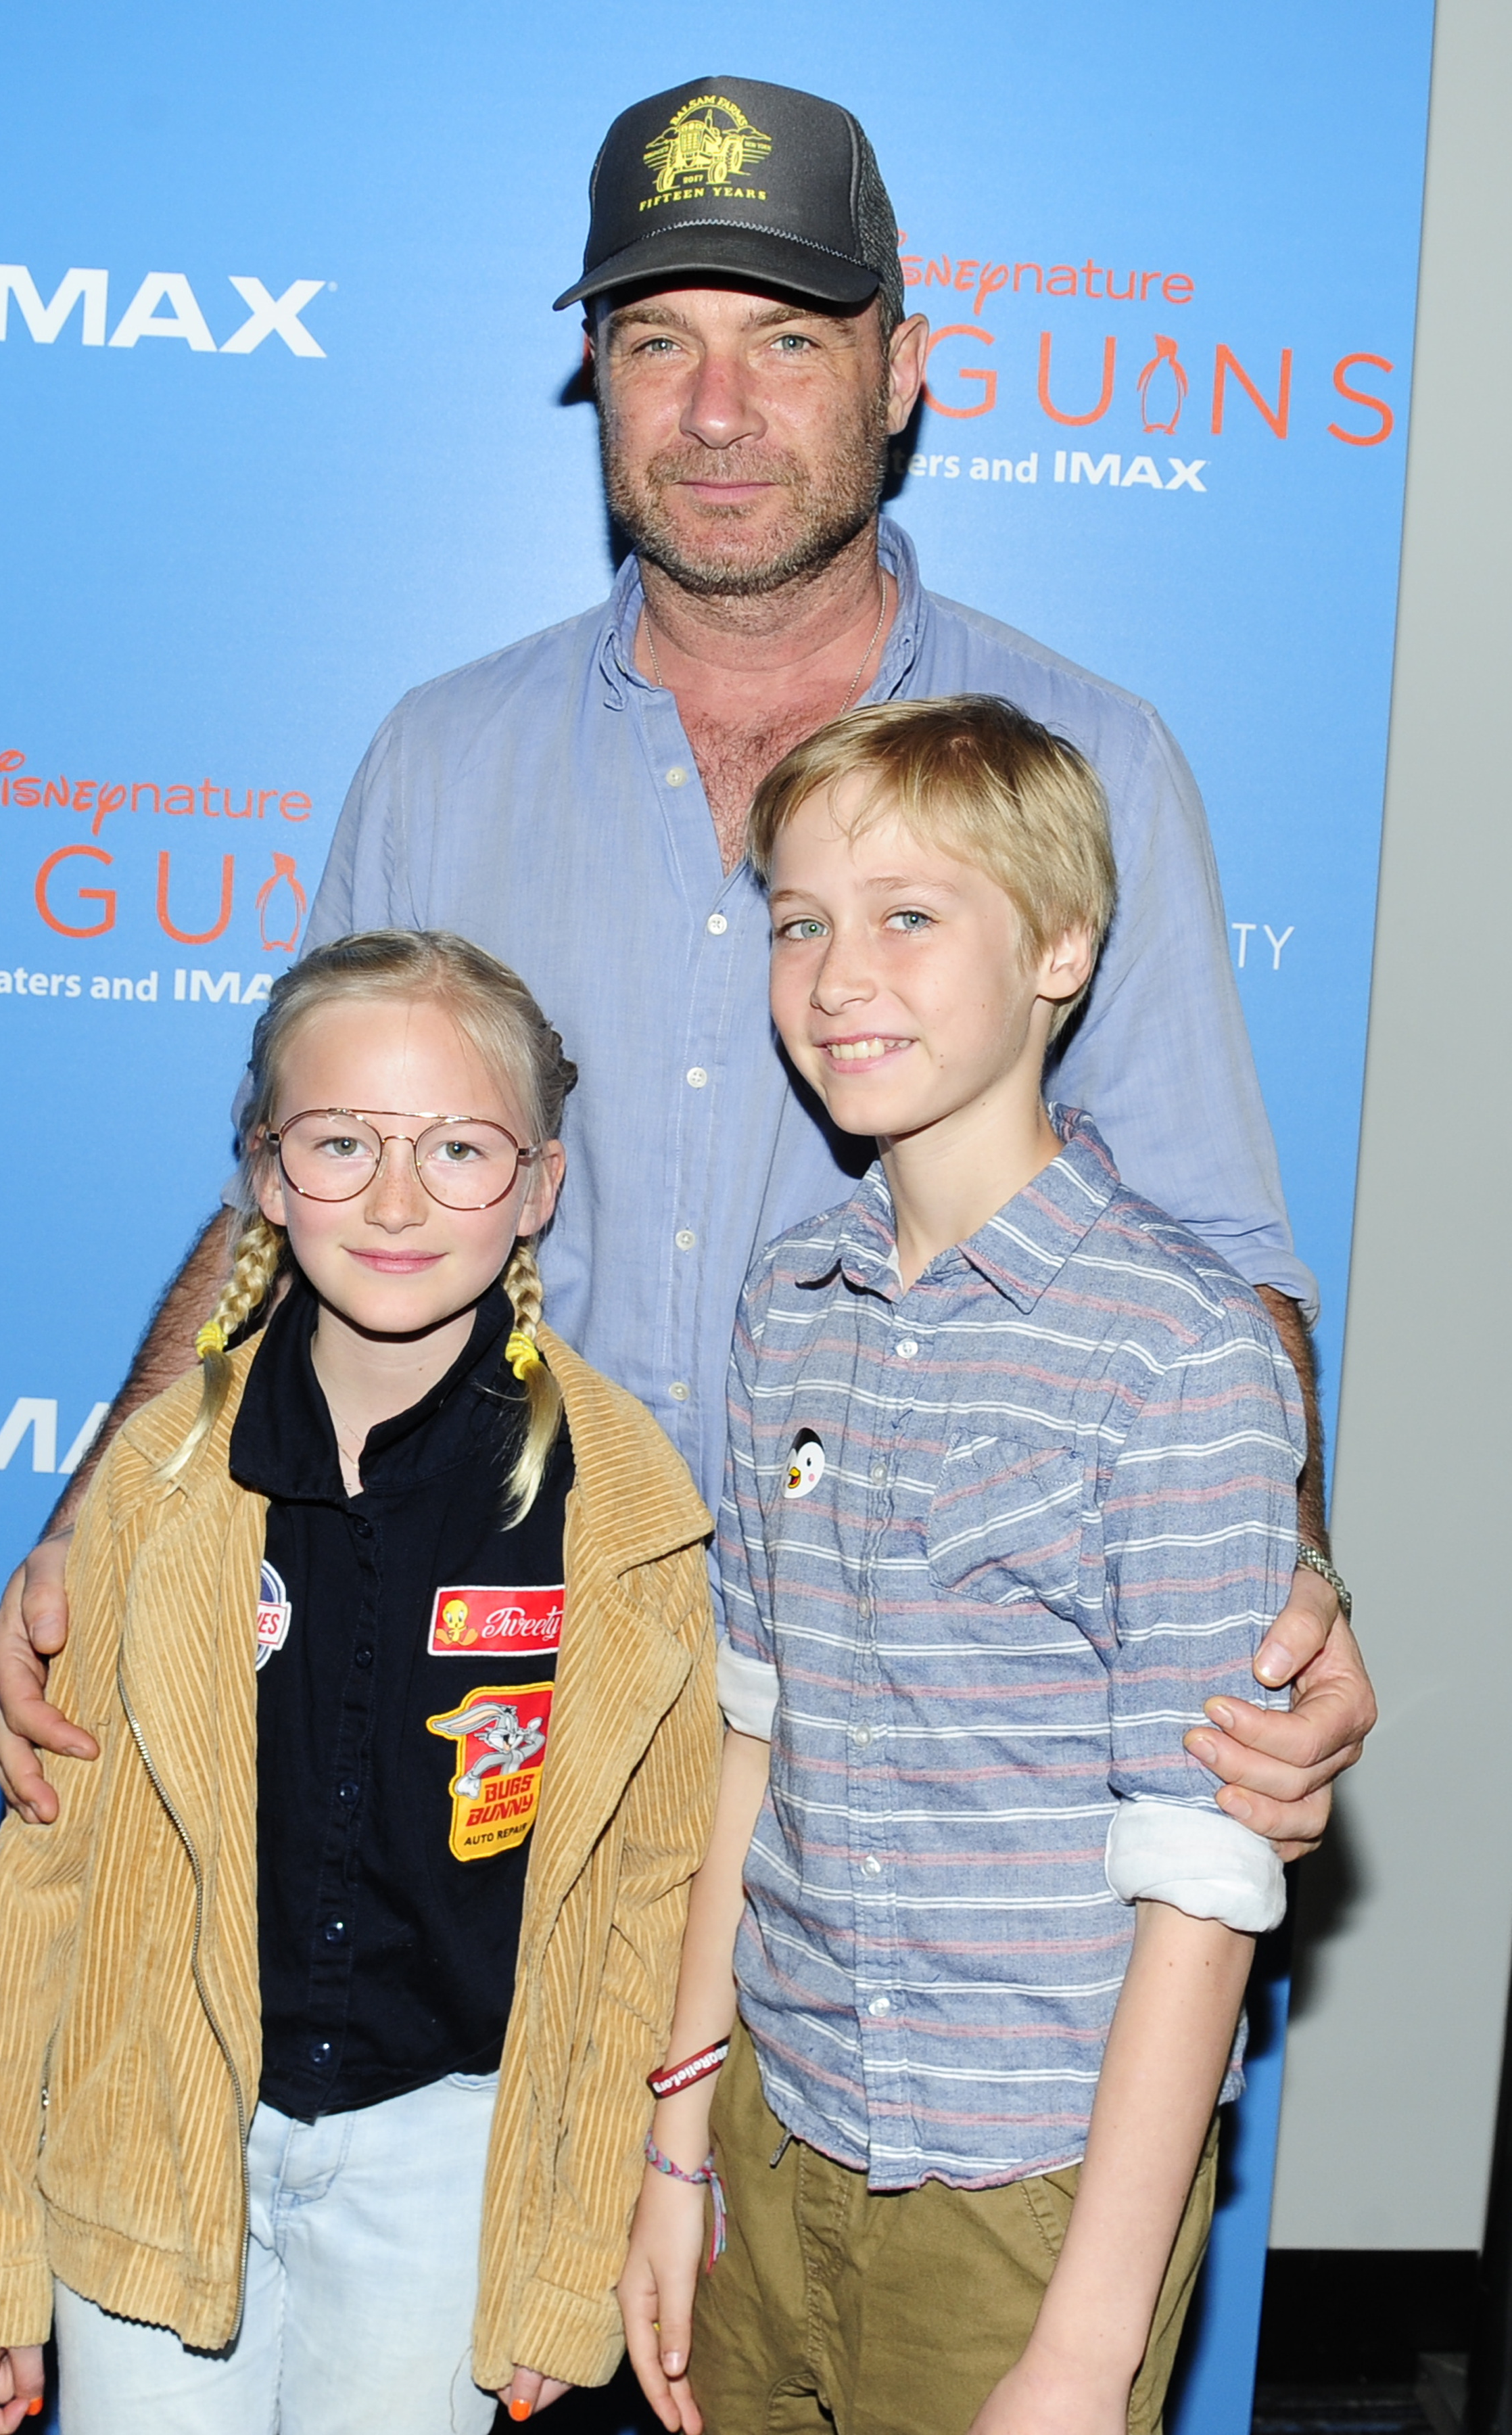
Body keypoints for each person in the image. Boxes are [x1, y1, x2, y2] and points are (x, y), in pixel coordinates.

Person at [0, 73, 1369, 1857]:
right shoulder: (443, 755)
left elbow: (1217, 1260)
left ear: (901, 370)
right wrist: (96, 1517)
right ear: (597, 374)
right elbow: (299, 1208)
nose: (717, 413)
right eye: (657, 343)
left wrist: (1292, 1582)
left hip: (937, 1759)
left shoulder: (1084, 759)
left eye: (787, 341)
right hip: (493, 1733)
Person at [0, 932, 719, 2435]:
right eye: (343, 1143)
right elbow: (43, 1889)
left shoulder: (621, 1511)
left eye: (459, 1149)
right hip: (152, 2139)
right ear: (268, 1175)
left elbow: (644, 1911)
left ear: (541, 1186)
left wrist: (565, 2255)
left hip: (450, 2167)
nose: (397, 1200)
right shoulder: (157, 1481)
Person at [619, 697, 1306, 2435]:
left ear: (1061, 949)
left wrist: (1083, 2350)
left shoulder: (1182, 1352)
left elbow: (1204, 1882)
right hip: (774, 2137)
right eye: (800, 924)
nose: (838, 976)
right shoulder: (790, 1303)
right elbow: (755, 1748)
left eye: (909, 916)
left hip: (1031, 2193)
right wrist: (679, 2144)